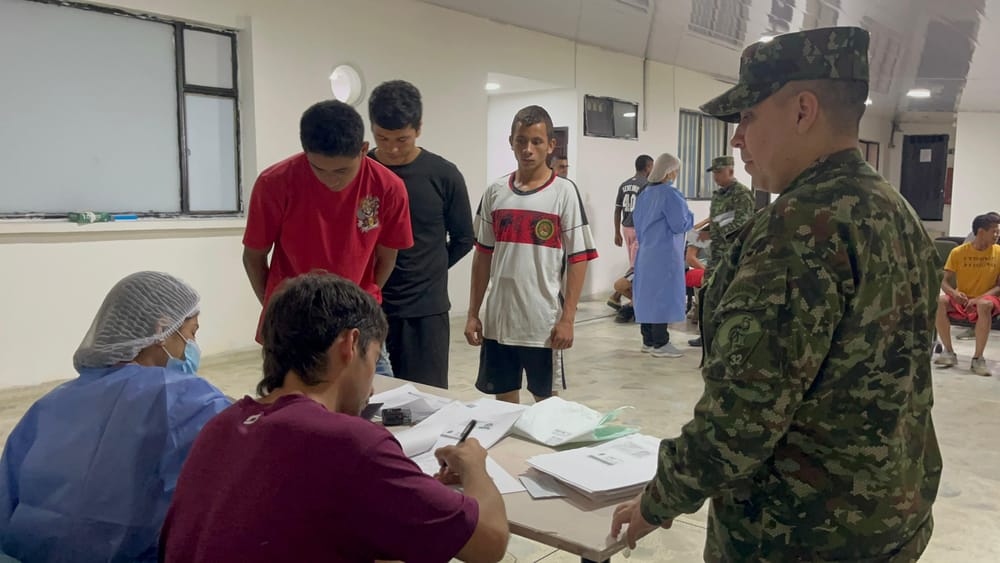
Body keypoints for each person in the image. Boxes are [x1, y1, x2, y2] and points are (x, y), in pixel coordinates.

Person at [612, 27, 942, 562]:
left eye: (747, 116)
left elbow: (743, 417)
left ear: (803, 110)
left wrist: (657, 502)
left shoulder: (799, 228)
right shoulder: (895, 209)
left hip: (797, 533)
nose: (737, 138)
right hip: (891, 517)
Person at [160, 273, 509, 563]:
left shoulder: (222, 425)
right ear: (350, 344)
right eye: (372, 359)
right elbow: (490, 543)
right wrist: (473, 464)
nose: (371, 388)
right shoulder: (350, 442)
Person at [0, 272, 230, 562]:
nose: (194, 345)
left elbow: (6, 504)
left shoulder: (48, 405)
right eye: (191, 332)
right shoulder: (187, 399)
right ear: (162, 330)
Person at [242, 100, 414, 378]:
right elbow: (254, 257)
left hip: (358, 319)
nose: (329, 180)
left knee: (377, 409)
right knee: (294, 413)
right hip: (294, 324)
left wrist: (363, 300)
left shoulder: (388, 187)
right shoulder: (274, 183)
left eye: (342, 171)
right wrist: (278, 309)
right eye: (318, 169)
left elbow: (387, 257)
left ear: (363, 149)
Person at [465, 105, 597, 404]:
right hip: (499, 322)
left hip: (543, 324)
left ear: (551, 145)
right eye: (521, 140)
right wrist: (474, 313)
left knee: (546, 406)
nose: (528, 149)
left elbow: (579, 258)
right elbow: (483, 255)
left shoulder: (564, 193)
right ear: (511, 141)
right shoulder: (495, 191)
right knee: (503, 405)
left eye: (536, 141)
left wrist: (568, 319)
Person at [368, 80, 474, 389]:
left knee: (424, 398)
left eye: (402, 138)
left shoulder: (443, 174)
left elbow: (464, 238)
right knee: (369, 400)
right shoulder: (362, 171)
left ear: (419, 128)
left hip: (424, 310)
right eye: (382, 138)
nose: (392, 148)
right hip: (370, 305)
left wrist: (429, 269)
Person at [631, 153, 693, 358]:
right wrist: (690, 217)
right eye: (675, 171)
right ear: (669, 172)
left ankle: (648, 340)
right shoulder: (670, 194)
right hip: (664, 254)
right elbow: (679, 224)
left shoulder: (644, 194)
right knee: (661, 297)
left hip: (646, 252)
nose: (676, 174)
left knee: (647, 296)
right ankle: (661, 343)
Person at [935, 213, 1000, 376]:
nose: (997, 235)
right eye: (994, 231)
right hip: (963, 299)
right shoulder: (958, 252)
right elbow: (943, 280)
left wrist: (978, 299)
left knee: (984, 305)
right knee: (939, 302)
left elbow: (999, 286)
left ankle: (978, 358)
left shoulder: (999, 253)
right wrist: (953, 293)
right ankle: (949, 352)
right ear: (981, 232)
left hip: (988, 298)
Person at [609, 154, 654, 310]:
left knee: (635, 263)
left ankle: (618, 296)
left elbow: (617, 210)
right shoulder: (647, 185)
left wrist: (616, 232)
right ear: (648, 167)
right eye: (652, 167)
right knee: (638, 266)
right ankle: (620, 295)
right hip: (640, 229)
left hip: (626, 227)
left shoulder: (624, 184)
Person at [706, 155, 754, 273]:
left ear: (731, 171)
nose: (715, 176)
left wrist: (719, 232)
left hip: (731, 256)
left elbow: (742, 224)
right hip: (715, 255)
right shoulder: (718, 195)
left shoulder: (742, 193)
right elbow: (715, 221)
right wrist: (699, 235)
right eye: (714, 173)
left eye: (719, 172)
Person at [685, 225, 711, 347]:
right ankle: (704, 333)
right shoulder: (701, 234)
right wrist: (708, 271)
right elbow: (690, 258)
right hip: (702, 269)